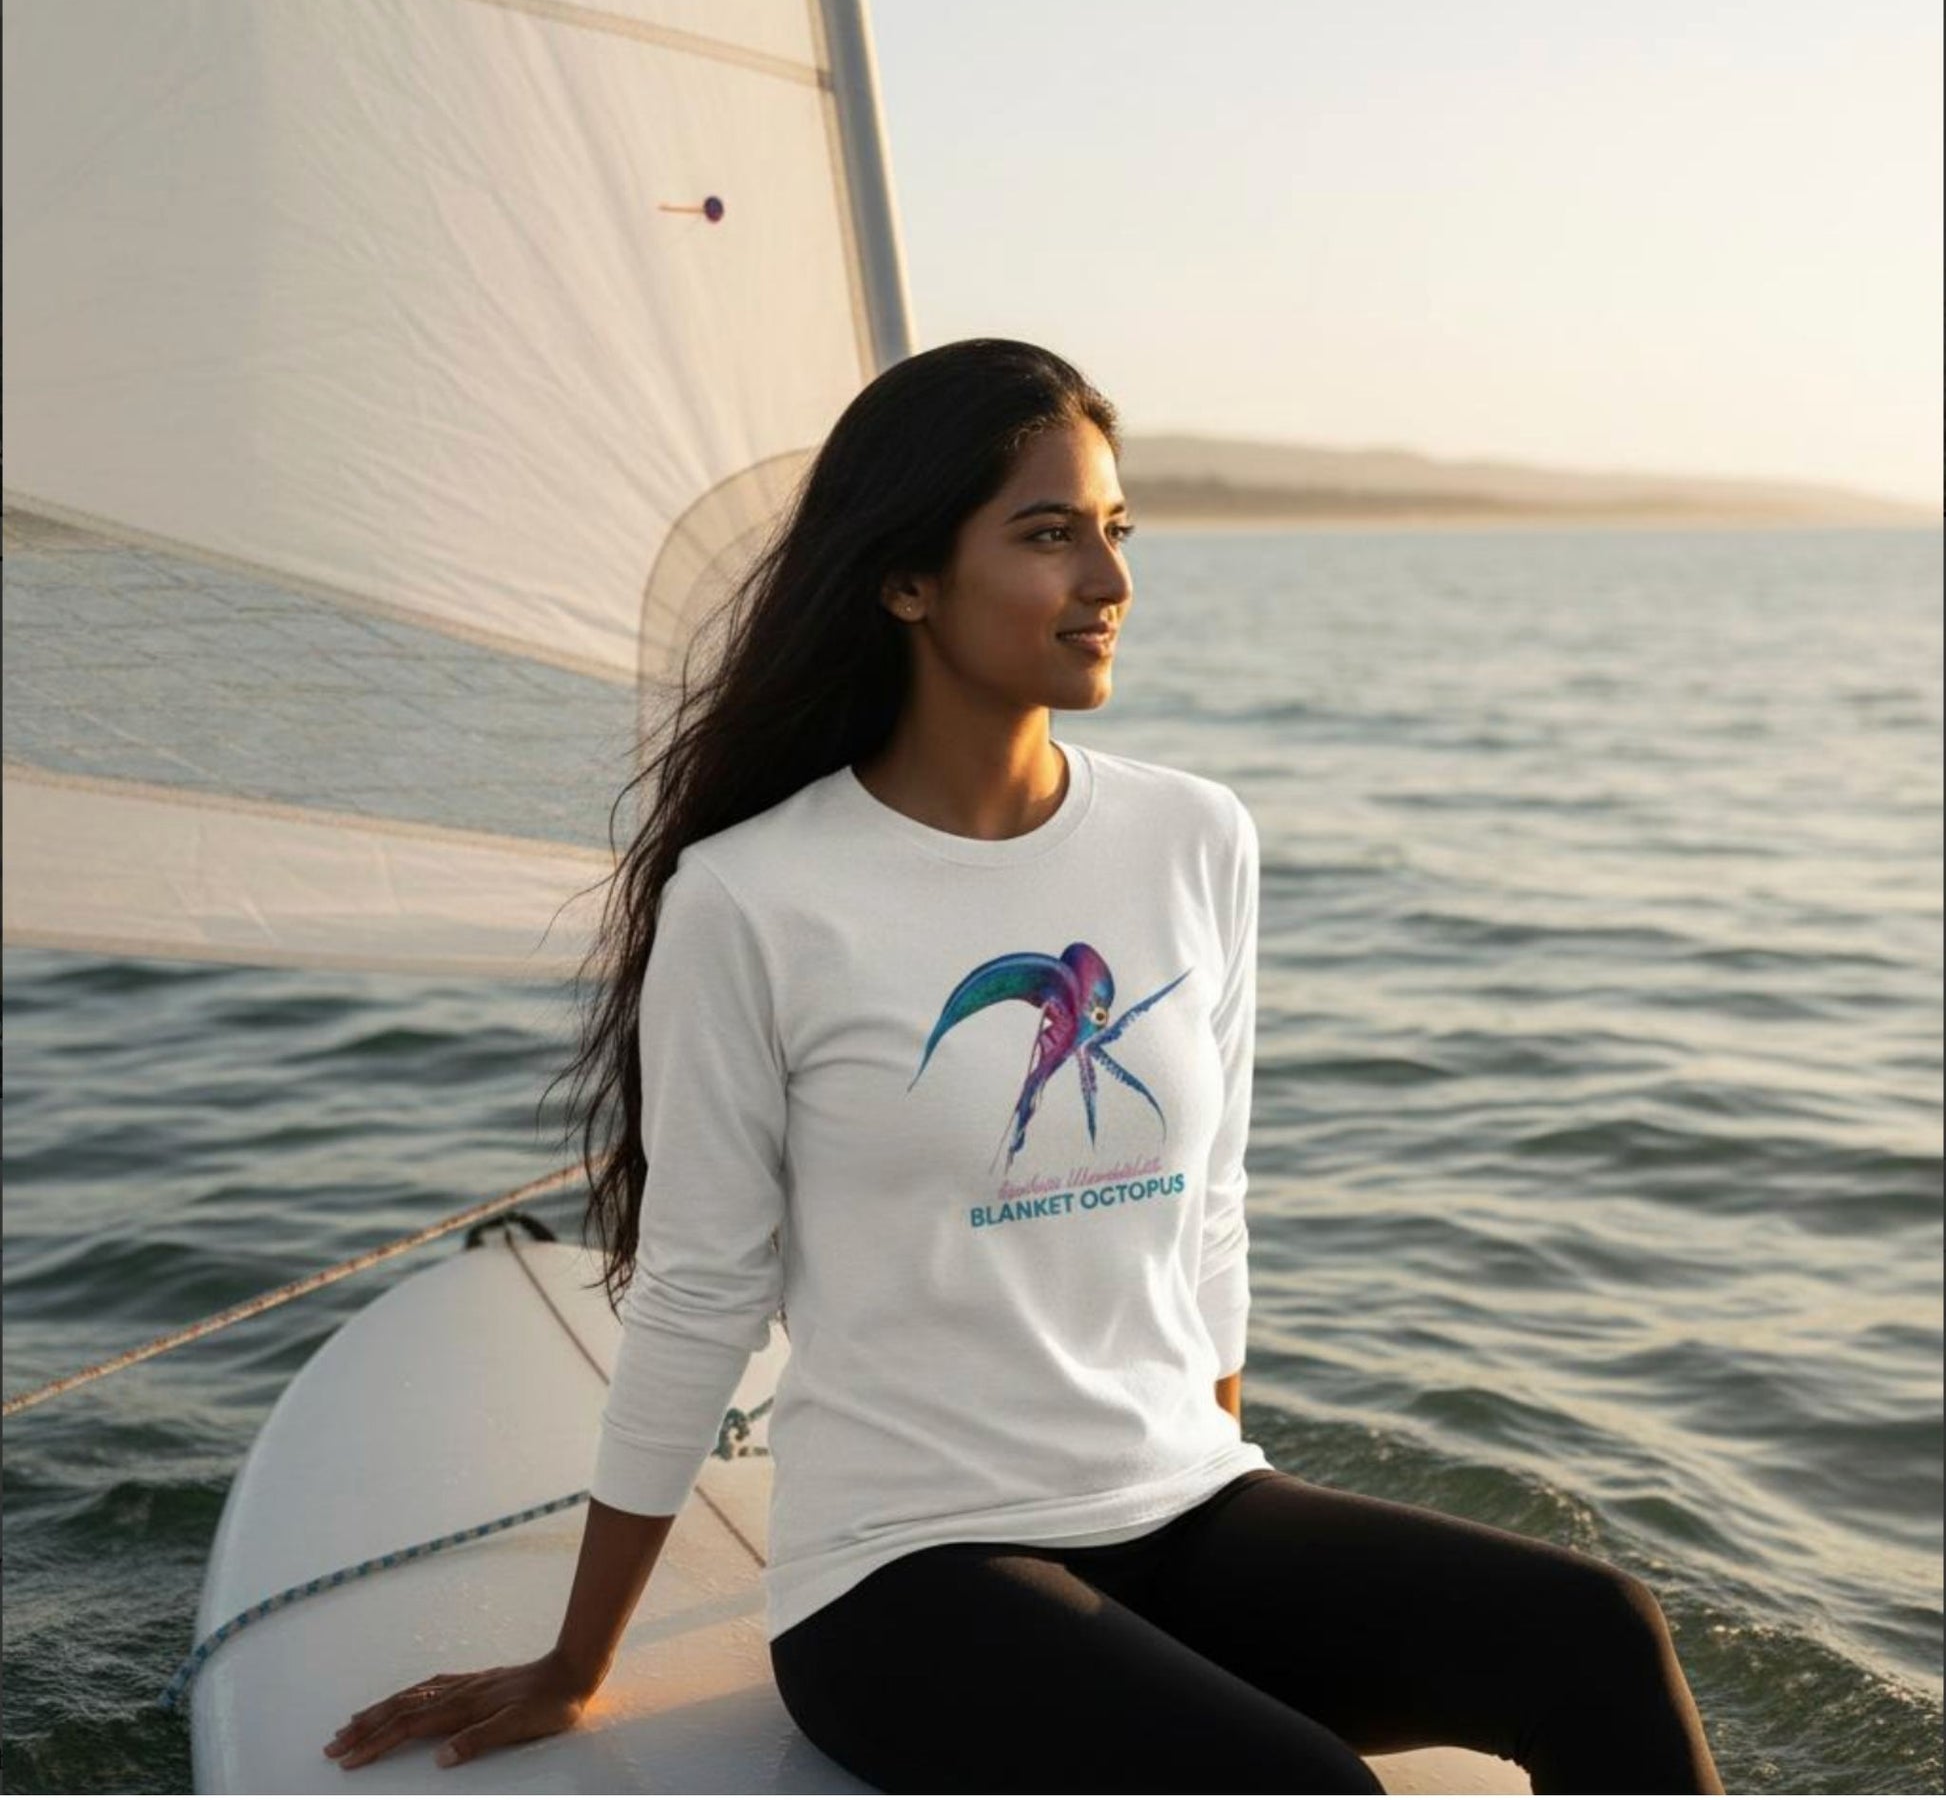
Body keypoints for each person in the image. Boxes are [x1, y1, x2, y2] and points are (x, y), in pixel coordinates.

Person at [322, 338, 1725, 1793]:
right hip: (901, 1570)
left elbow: (1214, 1205)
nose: (1108, 582)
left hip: (1177, 1505)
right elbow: (699, 1293)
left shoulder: (1192, 836)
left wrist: (1217, 1477)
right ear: (905, 578)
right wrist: (575, 1656)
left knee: (1595, 1630)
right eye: (1048, 535)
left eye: (1115, 531)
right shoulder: (755, 897)